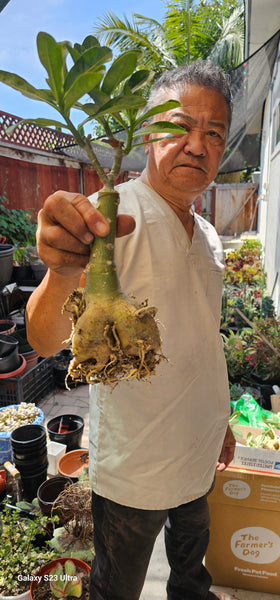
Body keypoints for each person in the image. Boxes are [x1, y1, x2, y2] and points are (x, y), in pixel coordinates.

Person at [26, 61, 236, 600]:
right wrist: (62, 268)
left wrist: (224, 421)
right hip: (137, 469)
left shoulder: (210, 235)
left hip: (200, 448)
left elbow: (203, 338)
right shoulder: (107, 217)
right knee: (115, 588)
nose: (197, 144)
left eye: (214, 133)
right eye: (180, 126)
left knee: (192, 573)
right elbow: (44, 339)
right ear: (148, 135)